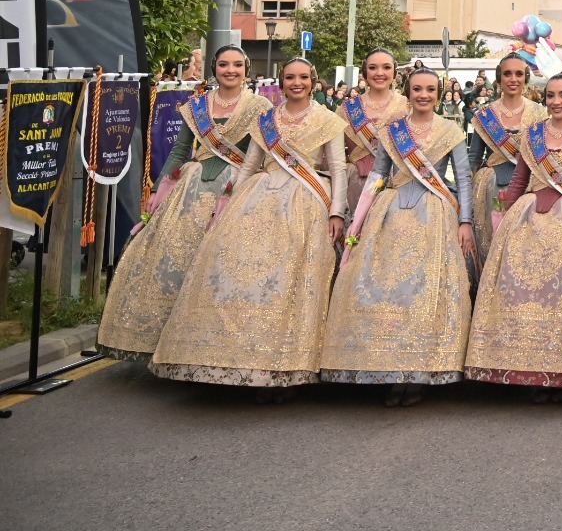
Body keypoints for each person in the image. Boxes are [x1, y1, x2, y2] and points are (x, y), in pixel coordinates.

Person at [150, 58, 347, 398]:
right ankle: (237, 359)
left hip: (305, 201)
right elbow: (249, 166)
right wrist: (228, 206)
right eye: (290, 77)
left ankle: (288, 368)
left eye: (303, 77)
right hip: (259, 198)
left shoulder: (328, 119)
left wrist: (337, 212)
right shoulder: (265, 120)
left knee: (290, 284)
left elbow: (339, 170)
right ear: (281, 82)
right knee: (243, 278)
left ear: (313, 81)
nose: (296, 83)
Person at [98, 46, 272, 362]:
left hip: (238, 187)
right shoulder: (196, 106)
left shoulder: (261, 107)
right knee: (175, 259)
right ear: (214, 68)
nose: (230, 70)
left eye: (237, 64)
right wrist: (157, 190)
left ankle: (217, 342)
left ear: (246, 69)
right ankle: (167, 340)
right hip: (192, 189)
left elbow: (267, 151)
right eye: (223, 64)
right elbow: (180, 152)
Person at [322, 68, 474, 406]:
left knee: (424, 291)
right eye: (417, 89)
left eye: (430, 89)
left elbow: (464, 178)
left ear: (439, 94)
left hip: (434, 214)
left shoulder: (450, 130)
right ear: (408, 92)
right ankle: (390, 369)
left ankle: (419, 374)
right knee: (387, 289)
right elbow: (379, 174)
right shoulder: (392, 131)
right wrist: (359, 220)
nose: (424, 95)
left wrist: (465, 221)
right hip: (389, 214)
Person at [465, 72, 562, 402]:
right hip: (527, 218)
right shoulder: (532, 135)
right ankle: (528, 368)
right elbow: (519, 181)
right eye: (550, 96)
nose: (556, 102)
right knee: (522, 293)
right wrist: (505, 221)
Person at [467, 54, 547, 262]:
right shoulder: (485, 115)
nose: (513, 79)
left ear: (526, 78)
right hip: (490, 187)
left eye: (519, 74)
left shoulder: (539, 114)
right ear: (499, 78)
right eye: (507, 74)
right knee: (493, 246)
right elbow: (474, 158)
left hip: (528, 190)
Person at [339, 49, 409, 218]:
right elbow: (333, 156)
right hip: (358, 184)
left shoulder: (408, 106)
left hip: (398, 187)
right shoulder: (347, 109)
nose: (379, 73)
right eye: (372, 67)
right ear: (364, 72)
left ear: (395, 72)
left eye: (386, 67)